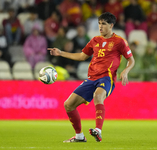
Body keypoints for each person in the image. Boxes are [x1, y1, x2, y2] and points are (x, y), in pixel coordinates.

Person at [47, 12, 135, 142]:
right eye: (99, 24)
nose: (100, 27)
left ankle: (98, 130)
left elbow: (131, 60)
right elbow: (82, 56)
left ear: (111, 25)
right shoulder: (95, 40)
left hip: (107, 78)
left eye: (103, 24)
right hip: (91, 78)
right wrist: (61, 53)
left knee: (98, 96)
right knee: (68, 105)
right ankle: (79, 136)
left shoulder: (120, 42)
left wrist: (126, 71)